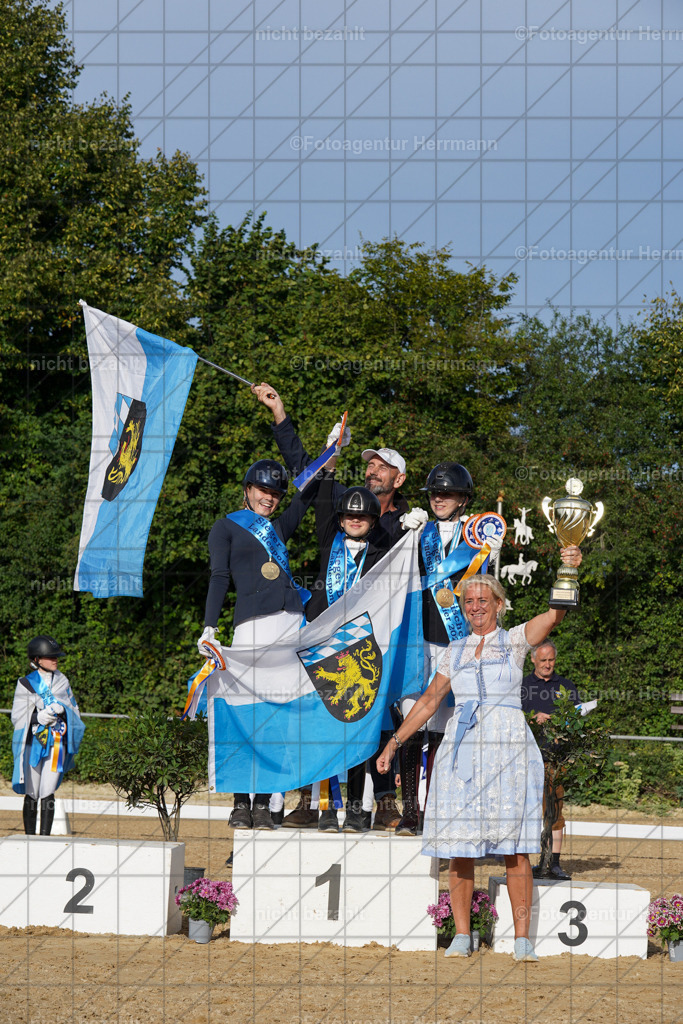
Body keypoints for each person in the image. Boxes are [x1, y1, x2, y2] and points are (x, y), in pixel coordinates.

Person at [377, 545, 582, 962]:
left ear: (499, 605)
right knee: (459, 847)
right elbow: (430, 701)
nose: (474, 607)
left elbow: (555, 615)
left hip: (509, 747)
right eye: (468, 601)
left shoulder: (515, 640)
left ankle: (522, 941)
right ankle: (461, 936)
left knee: (515, 848)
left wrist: (568, 568)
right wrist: (395, 741)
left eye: (482, 600)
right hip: (461, 748)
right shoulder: (452, 651)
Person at [252, 382, 427, 832]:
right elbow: (305, 474)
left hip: (383, 635)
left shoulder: (404, 525)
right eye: (369, 462)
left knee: (386, 712)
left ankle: (387, 801)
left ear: (399, 479)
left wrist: (416, 535)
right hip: (330, 631)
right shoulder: (348, 508)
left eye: (383, 466)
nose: (372, 469)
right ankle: (315, 800)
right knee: (322, 714)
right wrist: (282, 416)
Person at [198, 457, 318, 831]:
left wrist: (331, 454)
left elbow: (308, 493)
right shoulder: (226, 527)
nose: (269, 498)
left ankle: (265, 802)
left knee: (276, 715)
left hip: (288, 626)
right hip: (250, 626)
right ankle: (239, 801)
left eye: (275, 493)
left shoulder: (279, 527)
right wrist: (209, 626)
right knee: (243, 711)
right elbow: (219, 577)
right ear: (247, 490)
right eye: (263, 490)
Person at [395, 461, 503, 836]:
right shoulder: (416, 529)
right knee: (412, 723)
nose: (439, 498)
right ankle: (409, 810)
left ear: (463, 498)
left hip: (455, 642)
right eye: (435, 493)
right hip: (417, 640)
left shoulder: (478, 536)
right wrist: (399, 531)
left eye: (448, 493)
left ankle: (437, 807)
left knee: (444, 732)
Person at [281, 475, 392, 833]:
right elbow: (325, 504)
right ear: (340, 520)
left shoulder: (382, 553)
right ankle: (327, 808)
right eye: (348, 516)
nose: (354, 521)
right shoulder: (330, 542)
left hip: (360, 651)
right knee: (325, 728)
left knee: (358, 729)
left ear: (373, 521)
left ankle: (360, 808)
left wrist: (411, 528)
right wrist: (328, 469)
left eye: (361, 517)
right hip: (324, 648)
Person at [11, 635, 85, 836]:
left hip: (56, 743)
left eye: (56, 657)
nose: (55, 660)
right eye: (50, 657)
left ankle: (45, 837)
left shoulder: (63, 681)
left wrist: (62, 711)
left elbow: (74, 711)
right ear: (37, 659)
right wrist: (37, 717)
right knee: (32, 789)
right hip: (32, 743)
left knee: (48, 788)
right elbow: (18, 717)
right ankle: (29, 837)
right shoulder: (25, 683)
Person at [522, 640, 579, 880]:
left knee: (554, 813)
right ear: (533, 659)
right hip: (525, 758)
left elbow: (577, 718)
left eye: (551, 660)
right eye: (543, 660)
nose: (547, 664)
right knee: (525, 812)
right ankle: (523, 863)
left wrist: (561, 727)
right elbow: (511, 716)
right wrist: (532, 719)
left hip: (555, 759)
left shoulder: (566, 686)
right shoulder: (521, 685)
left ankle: (552, 864)